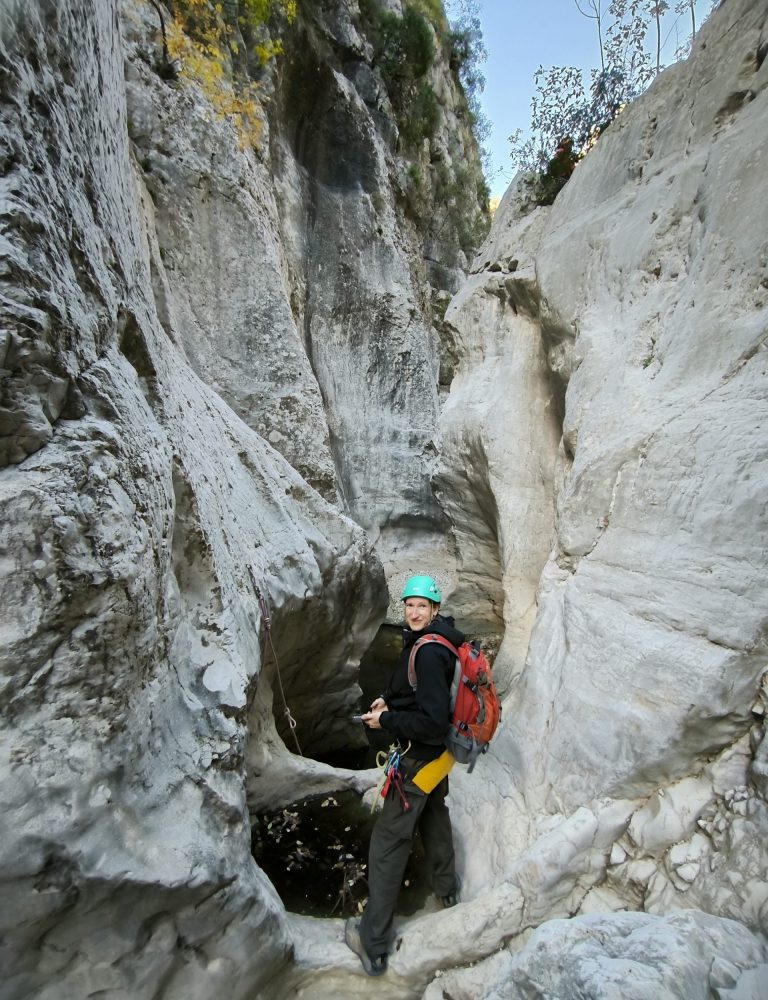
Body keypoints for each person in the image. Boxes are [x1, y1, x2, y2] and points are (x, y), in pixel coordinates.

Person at [344, 575, 463, 977]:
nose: (413, 612)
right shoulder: (438, 639)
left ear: (434, 609)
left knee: (388, 844)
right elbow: (414, 689)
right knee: (434, 817)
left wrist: (386, 721)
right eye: (409, 605)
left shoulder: (427, 653)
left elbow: (431, 721)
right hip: (438, 760)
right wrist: (387, 699)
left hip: (417, 761)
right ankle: (447, 890)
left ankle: (373, 942)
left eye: (421, 606)